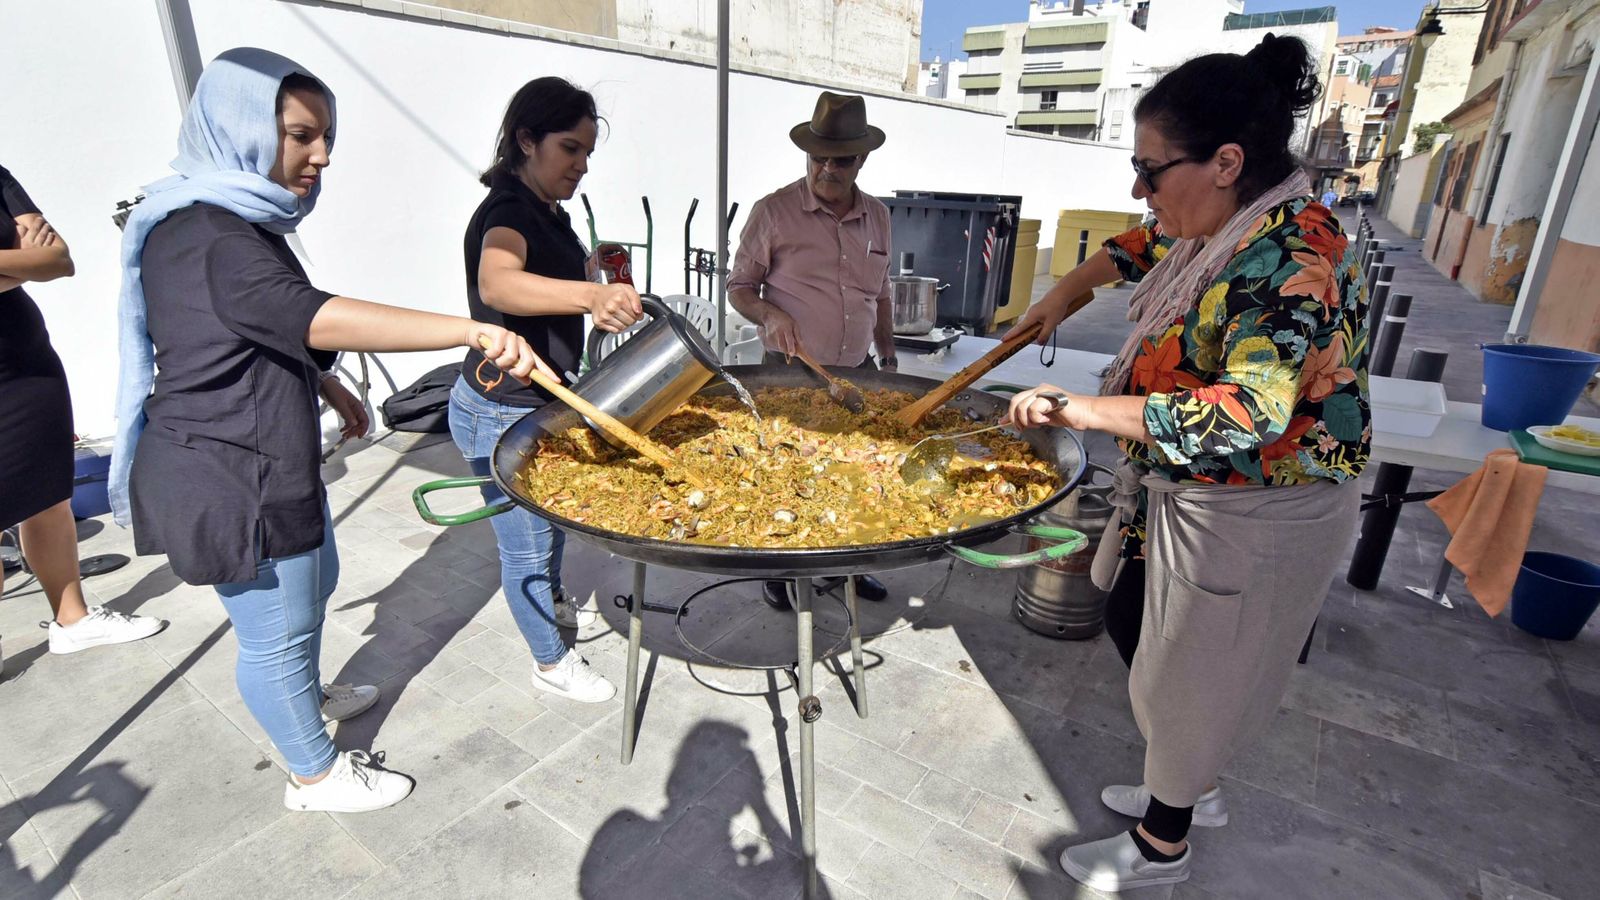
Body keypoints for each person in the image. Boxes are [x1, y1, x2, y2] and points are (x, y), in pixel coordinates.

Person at [111, 48, 553, 814]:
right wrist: (468, 332)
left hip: (264, 455)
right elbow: (307, 313)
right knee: (273, 633)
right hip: (226, 474)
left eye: (326, 140)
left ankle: (306, 695)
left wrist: (323, 381)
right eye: (300, 135)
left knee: (312, 591)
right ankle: (314, 774)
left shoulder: (229, 218)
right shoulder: (211, 231)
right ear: (242, 126)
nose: (320, 157)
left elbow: (239, 328)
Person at [1010, 34, 1368, 891]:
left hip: (1260, 501)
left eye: (1151, 169)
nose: (1141, 191)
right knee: (1139, 624)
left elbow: (1249, 411)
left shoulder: (1290, 255)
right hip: (1184, 486)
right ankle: (1187, 777)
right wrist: (1065, 290)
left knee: (1196, 669)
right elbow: (1140, 244)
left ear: (1225, 162)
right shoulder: (1222, 217)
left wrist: (1086, 410)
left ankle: (1163, 842)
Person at [449, 77, 642, 703]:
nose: (581, 166)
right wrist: (590, 295)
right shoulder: (507, 211)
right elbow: (499, 283)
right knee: (526, 544)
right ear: (526, 141)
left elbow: (545, 278)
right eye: (569, 149)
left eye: (587, 153)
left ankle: (554, 606)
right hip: (498, 408)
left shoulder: (548, 212)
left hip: (540, 402)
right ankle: (550, 661)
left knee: (549, 526)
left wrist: (592, 271)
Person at [727, 90, 897, 610]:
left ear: (860, 160)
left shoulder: (879, 217)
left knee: (859, 473)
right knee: (791, 473)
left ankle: (850, 565)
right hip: (789, 373)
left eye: (840, 159)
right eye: (818, 157)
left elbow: (882, 294)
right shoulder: (773, 212)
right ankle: (781, 568)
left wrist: (889, 360)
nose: (827, 168)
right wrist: (770, 315)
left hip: (859, 373)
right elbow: (739, 288)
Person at [1, 165, 167, 654]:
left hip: (25, 362)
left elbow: (57, 260)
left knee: (46, 493)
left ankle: (72, 621)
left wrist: (28, 265)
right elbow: (34, 259)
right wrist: (16, 263)